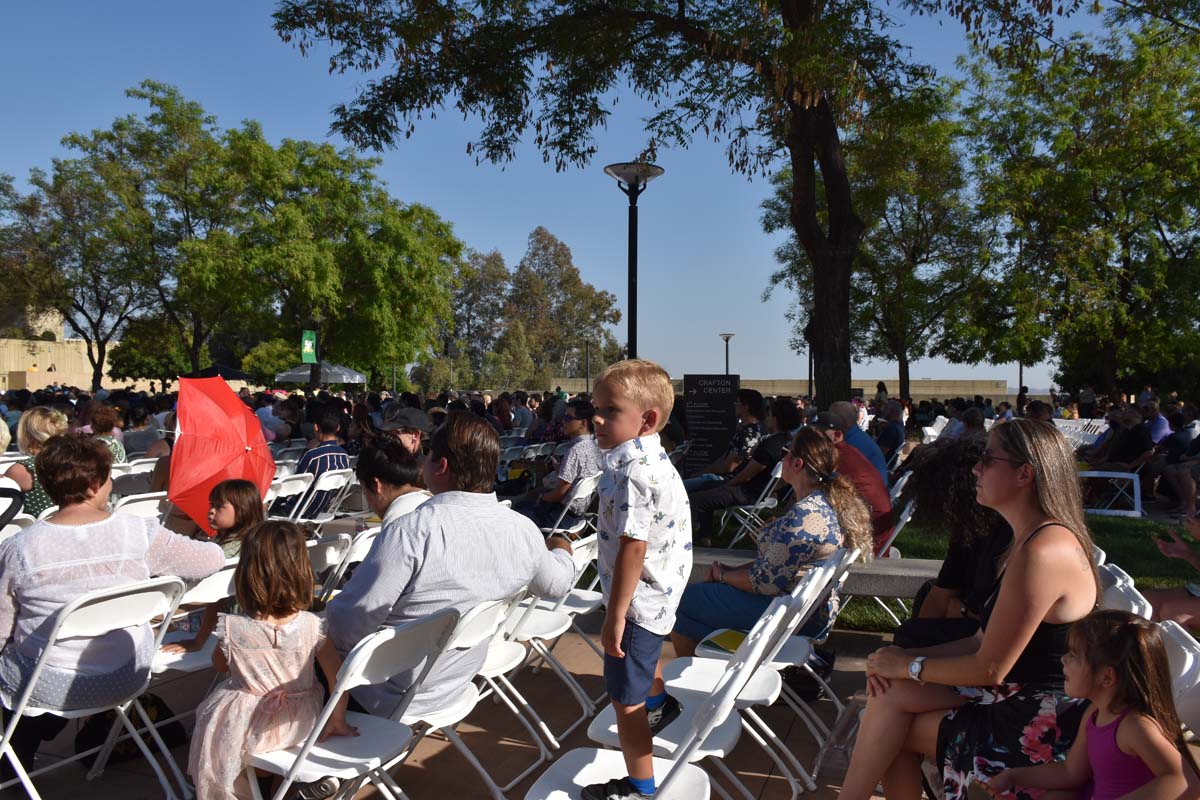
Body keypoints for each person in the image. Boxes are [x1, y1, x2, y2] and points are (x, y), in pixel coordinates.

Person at [840, 419, 1100, 799]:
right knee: (888, 693)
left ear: (1024, 474)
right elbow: (981, 640)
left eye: (987, 459)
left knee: (888, 729)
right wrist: (898, 658)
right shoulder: (1027, 539)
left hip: (1042, 717)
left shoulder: (1044, 552)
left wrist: (911, 666)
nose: (976, 469)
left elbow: (991, 668)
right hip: (1016, 693)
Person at [0, 435, 225, 779]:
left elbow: (2, 632)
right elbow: (213, 560)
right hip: (127, 675)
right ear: (94, 485)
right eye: (109, 479)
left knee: (15, 663)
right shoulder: (140, 532)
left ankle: (16, 756)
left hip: (48, 685)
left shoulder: (19, 548)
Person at [325, 412, 575, 718]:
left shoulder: (411, 531)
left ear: (441, 467)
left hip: (384, 693)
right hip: (455, 684)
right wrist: (563, 547)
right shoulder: (522, 530)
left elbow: (345, 627)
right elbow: (556, 585)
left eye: (428, 455)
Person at [584, 360, 692, 800]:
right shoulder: (647, 457)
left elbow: (634, 545)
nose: (597, 418)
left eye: (610, 410)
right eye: (595, 407)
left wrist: (616, 615)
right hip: (657, 595)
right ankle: (660, 700)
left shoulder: (633, 471)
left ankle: (640, 786)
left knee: (624, 703)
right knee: (638, 672)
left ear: (646, 419)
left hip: (638, 604)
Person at [189, 521, 357, 800]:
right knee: (265, 740)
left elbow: (220, 665)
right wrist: (336, 719)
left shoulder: (232, 627)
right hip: (300, 722)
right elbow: (338, 678)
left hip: (250, 724)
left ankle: (248, 790)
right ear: (301, 571)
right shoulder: (313, 626)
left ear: (246, 574)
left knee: (220, 731)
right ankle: (284, 787)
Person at [672, 426, 873, 656]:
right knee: (693, 609)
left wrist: (722, 575)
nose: (782, 458)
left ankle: (696, 683)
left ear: (797, 464)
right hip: (803, 610)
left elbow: (764, 583)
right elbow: (777, 568)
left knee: (679, 602)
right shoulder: (824, 504)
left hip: (788, 615)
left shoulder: (805, 516)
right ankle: (712, 674)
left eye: (786, 453)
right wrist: (729, 572)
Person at [991, 610, 1199, 798]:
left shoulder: (1134, 726)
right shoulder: (1096, 712)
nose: (1063, 659)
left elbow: (1184, 781)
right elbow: (1070, 773)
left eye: (1074, 656)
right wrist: (1012, 777)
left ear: (1107, 677)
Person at [161, 479, 266, 658]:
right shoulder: (258, 541)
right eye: (211, 504)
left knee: (178, 623)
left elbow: (213, 599)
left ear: (242, 511)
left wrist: (198, 641)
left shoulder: (223, 552)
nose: (211, 511)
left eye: (219, 506)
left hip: (238, 627)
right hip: (255, 626)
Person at [688, 396, 801, 544]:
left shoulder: (769, 445)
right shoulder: (787, 442)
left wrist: (728, 484)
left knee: (694, 499)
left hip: (747, 492)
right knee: (704, 487)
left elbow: (747, 475)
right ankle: (704, 537)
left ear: (776, 419)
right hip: (759, 491)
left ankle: (695, 539)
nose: (766, 418)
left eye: (769, 415)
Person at [807, 412, 893, 552]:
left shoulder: (838, 459)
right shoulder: (846, 452)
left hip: (868, 543)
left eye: (820, 435)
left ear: (836, 435)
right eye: (811, 435)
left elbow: (812, 498)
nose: (814, 441)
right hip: (869, 532)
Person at [517, 398, 603, 529]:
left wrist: (541, 497)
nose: (563, 421)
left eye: (568, 418)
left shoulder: (575, 450)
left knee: (519, 508)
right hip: (578, 513)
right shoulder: (595, 446)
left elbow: (558, 494)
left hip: (560, 517)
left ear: (583, 423)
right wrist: (560, 469)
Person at [273, 408, 350, 518]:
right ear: (337, 428)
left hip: (298, 510)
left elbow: (296, 485)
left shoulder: (312, 455)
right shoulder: (344, 455)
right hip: (322, 508)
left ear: (316, 427)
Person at [685, 389, 765, 489]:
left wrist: (701, 473)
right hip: (726, 479)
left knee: (680, 488)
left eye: (737, 402)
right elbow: (726, 459)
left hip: (726, 481)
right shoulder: (755, 429)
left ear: (746, 407)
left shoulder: (747, 433)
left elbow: (729, 466)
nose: (734, 405)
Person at [3, 407, 70, 517]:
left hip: (34, 530)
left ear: (27, 435)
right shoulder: (74, 461)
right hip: (73, 524)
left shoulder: (24, 470)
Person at [829, 400, 888, 485]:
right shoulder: (856, 437)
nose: (828, 423)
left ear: (842, 421)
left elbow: (837, 477)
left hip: (865, 494)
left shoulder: (853, 444)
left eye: (831, 418)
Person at [874, 400, 906, 467]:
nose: (883, 410)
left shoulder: (892, 429)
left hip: (880, 466)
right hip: (888, 463)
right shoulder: (899, 425)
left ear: (892, 412)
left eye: (885, 408)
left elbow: (879, 453)